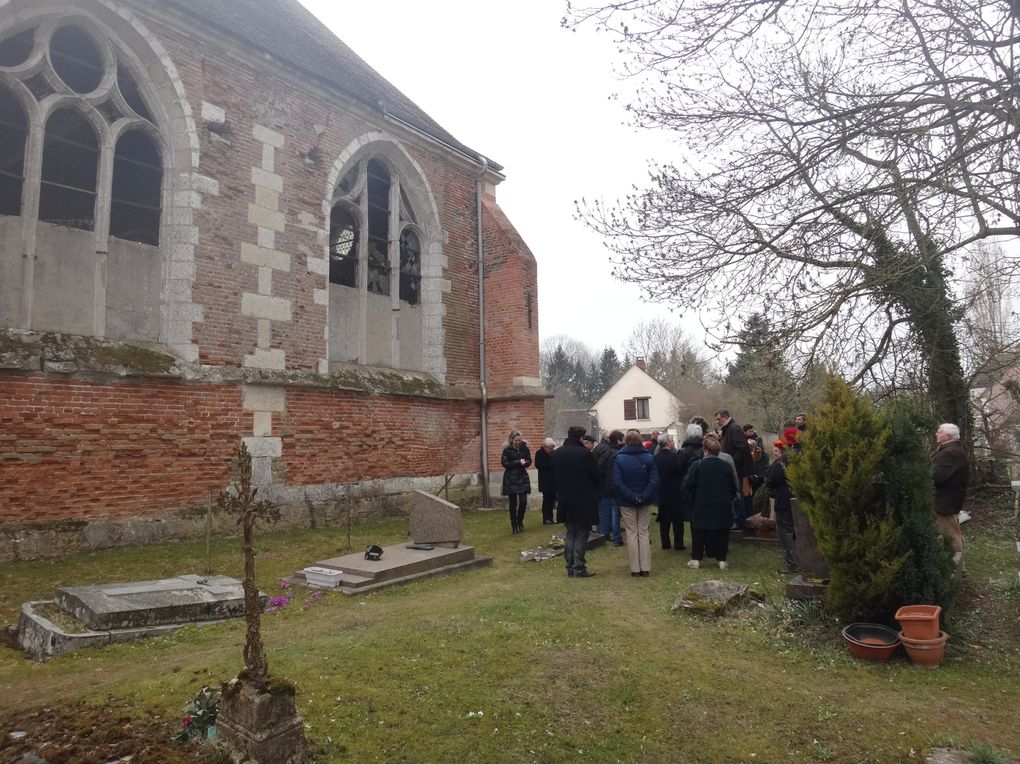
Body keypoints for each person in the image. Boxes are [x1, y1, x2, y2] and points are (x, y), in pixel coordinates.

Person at [552, 425, 602, 577]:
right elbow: (596, 475)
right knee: (582, 533)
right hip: (583, 498)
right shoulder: (584, 453)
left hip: (565, 497)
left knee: (571, 532)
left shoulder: (557, 453)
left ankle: (570, 566)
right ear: (581, 438)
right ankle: (579, 566)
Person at [684, 435, 739, 570]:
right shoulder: (726, 466)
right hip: (722, 503)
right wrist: (730, 498)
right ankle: (722, 560)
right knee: (722, 531)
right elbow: (733, 486)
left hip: (702, 502)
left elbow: (688, 484)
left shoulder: (698, 465)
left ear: (706, 450)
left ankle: (696, 559)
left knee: (699, 531)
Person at [613, 429, 660, 577]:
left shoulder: (619, 459)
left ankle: (635, 568)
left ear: (625, 441)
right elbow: (654, 479)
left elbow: (618, 482)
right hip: (645, 499)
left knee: (631, 533)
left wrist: (632, 496)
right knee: (644, 532)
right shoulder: (649, 457)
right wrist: (644, 495)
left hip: (627, 501)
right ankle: (645, 567)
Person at [933, 422, 969, 566]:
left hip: (945, 502)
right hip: (946, 500)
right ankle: (957, 568)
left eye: (939, 432)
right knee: (951, 533)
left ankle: (956, 569)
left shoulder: (951, 452)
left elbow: (937, 477)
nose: (936, 434)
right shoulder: (949, 449)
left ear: (947, 436)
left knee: (950, 537)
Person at [716, 409, 752, 529]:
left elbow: (743, 448)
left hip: (737, 469)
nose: (717, 422)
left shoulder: (734, 428)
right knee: (735, 494)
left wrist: (731, 461)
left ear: (726, 418)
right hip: (733, 467)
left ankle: (740, 521)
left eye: (718, 419)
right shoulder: (728, 429)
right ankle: (737, 520)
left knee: (737, 494)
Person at [765, 441, 798, 573]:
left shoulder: (784, 459)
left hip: (784, 498)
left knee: (785, 532)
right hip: (799, 497)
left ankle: (792, 564)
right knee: (798, 531)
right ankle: (802, 560)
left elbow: (773, 479)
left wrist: (768, 478)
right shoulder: (804, 454)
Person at [653, 433, 685, 551]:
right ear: (667, 443)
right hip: (675, 490)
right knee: (677, 519)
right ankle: (678, 544)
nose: (673, 442)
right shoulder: (676, 457)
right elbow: (680, 472)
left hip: (662, 490)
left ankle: (665, 543)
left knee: (664, 518)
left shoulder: (656, 458)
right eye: (671, 441)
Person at [593, 430, 624, 546]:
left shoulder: (600, 447)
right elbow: (601, 467)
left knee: (604, 510)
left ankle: (603, 531)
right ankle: (607, 533)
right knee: (610, 511)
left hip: (602, 484)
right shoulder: (608, 450)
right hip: (606, 484)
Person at [676, 423, 705, 548]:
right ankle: (704, 544)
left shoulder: (682, 452)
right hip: (703, 487)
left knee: (690, 517)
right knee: (702, 517)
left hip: (687, 488)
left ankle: (692, 545)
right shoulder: (706, 450)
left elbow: (677, 470)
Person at [501, 431, 531, 533]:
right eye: (516, 440)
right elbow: (505, 463)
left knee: (523, 501)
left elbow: (529, 461)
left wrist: (525, 462)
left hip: (522, 477)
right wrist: (518, 461)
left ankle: (520, 521)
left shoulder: (525, 448)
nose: (518, 442)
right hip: (511, 478)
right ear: (511, 440)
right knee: (513, 503)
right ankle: (514, 525)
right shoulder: (507, 450)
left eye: (519, 440)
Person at [534, 438, 557, 525]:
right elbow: (538, 465)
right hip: (545, 480)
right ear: (545, 446)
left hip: (553, 480)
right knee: (547, 499)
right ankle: (546, 518)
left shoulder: (553, 452)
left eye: (552, 447)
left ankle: (551, 517)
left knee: (552, 500)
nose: (552, 449)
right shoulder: (539, 453)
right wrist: (551, 465)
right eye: (550, 447)